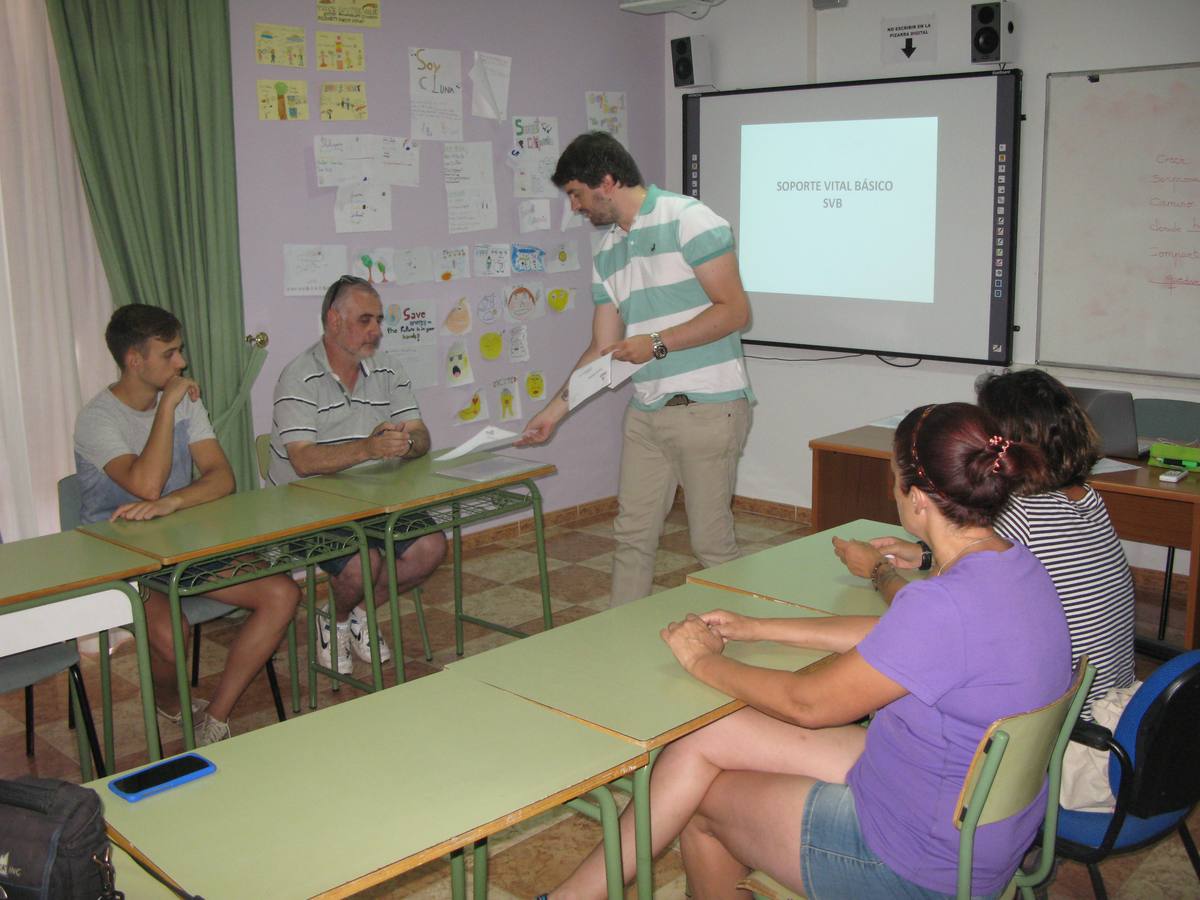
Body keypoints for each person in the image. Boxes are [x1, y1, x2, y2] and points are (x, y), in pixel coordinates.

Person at [547, 403, 1071, 899]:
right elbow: (900, 641)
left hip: (919, 859)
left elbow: (808, 704)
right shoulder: (1015, 568)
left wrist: (702, 660)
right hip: (960, 805)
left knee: (703, 806)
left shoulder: (942, 606)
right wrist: (759, 629)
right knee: (705, 735)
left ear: (916, 498)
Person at [837, 370, 1137, 812]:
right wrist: (924, 556)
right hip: (1115, 727)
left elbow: (928, 617)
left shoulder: (1019, 515)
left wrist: (878, 570)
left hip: (1051, 750)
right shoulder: (1085, 498)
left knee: (899, 686)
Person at [516, 131, 754, 607]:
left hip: (709, 409)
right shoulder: (608, 251)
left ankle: (751, 645)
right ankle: (620, 648)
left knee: (711, 544)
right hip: (646, 413)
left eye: (577, 195)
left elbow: (734, 311)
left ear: (606, 181)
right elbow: (602, 348)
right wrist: (553, 412)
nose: (576, 208)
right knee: (631, 537)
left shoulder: (690, 220)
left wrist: (658, 344)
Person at [74, 304, 300, 746]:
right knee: (169, 631)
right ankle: (171, 702)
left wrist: (174, 503)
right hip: (119, 557)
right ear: (134, 361)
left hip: (182, 544)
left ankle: (214, 717)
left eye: (180, 352)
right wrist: (166, 409)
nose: (181, 364)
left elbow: (222, 477)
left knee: (281, 593)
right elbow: (145, 483)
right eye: (170, 354)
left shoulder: (182, 401)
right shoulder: (97, 418)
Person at [268, 275, 446, 674]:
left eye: (379, 320)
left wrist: (407, 444)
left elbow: (420, 435)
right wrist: (368, 448)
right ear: (334, 320)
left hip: (373, 495)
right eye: (366, 320)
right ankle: (338, 617)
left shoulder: (389, 368)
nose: (377, 331)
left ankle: (350, 613)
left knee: (430, 547)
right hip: (304, 502)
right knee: (360, 562)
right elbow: (303, 461)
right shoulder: (297, 376)